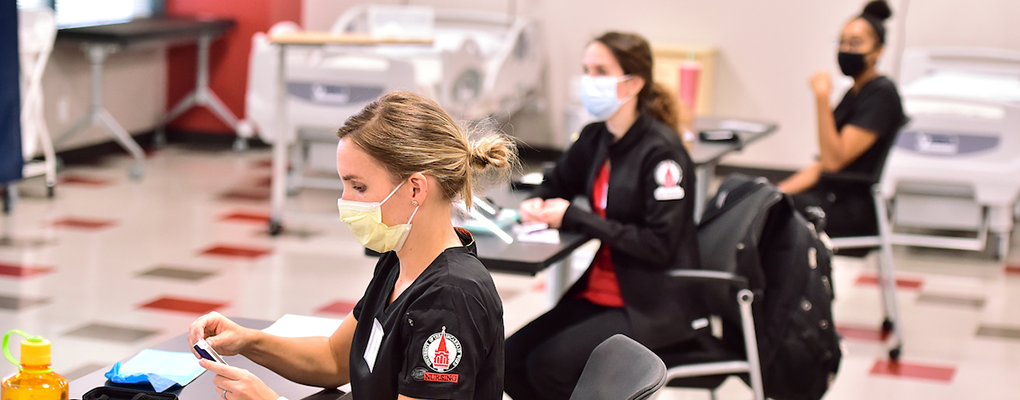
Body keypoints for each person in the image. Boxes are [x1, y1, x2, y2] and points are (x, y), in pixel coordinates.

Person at [187, 91, 517, 400]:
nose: (345, 202)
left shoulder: (450, 299)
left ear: (416, 189)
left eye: (358, 186)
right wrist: (249, 341)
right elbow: (334, 358)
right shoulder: (400, 261)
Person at [504, 31, 705, 400]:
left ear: (633, 82)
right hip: (598, 291)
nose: (588, 81)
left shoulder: (662, 153)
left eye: (600, 71)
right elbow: (558, 181)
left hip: (646, 300)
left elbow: (658, 245)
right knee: (507, 361)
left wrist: (575, 218)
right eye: (586, 70)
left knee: (547, 366)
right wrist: (541, 201)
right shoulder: (597, 137)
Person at [779, 0, 907, 238]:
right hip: (830, 196)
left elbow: (833, 162)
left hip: (851, 211)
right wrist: (777, 191)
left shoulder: (881, 95)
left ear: (878, 51)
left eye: (856, 43)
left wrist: (821, 98)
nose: (846, 49)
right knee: (754, 199)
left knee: (768, 216)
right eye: (842, 42)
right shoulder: (856, 91)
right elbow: (822, 166)